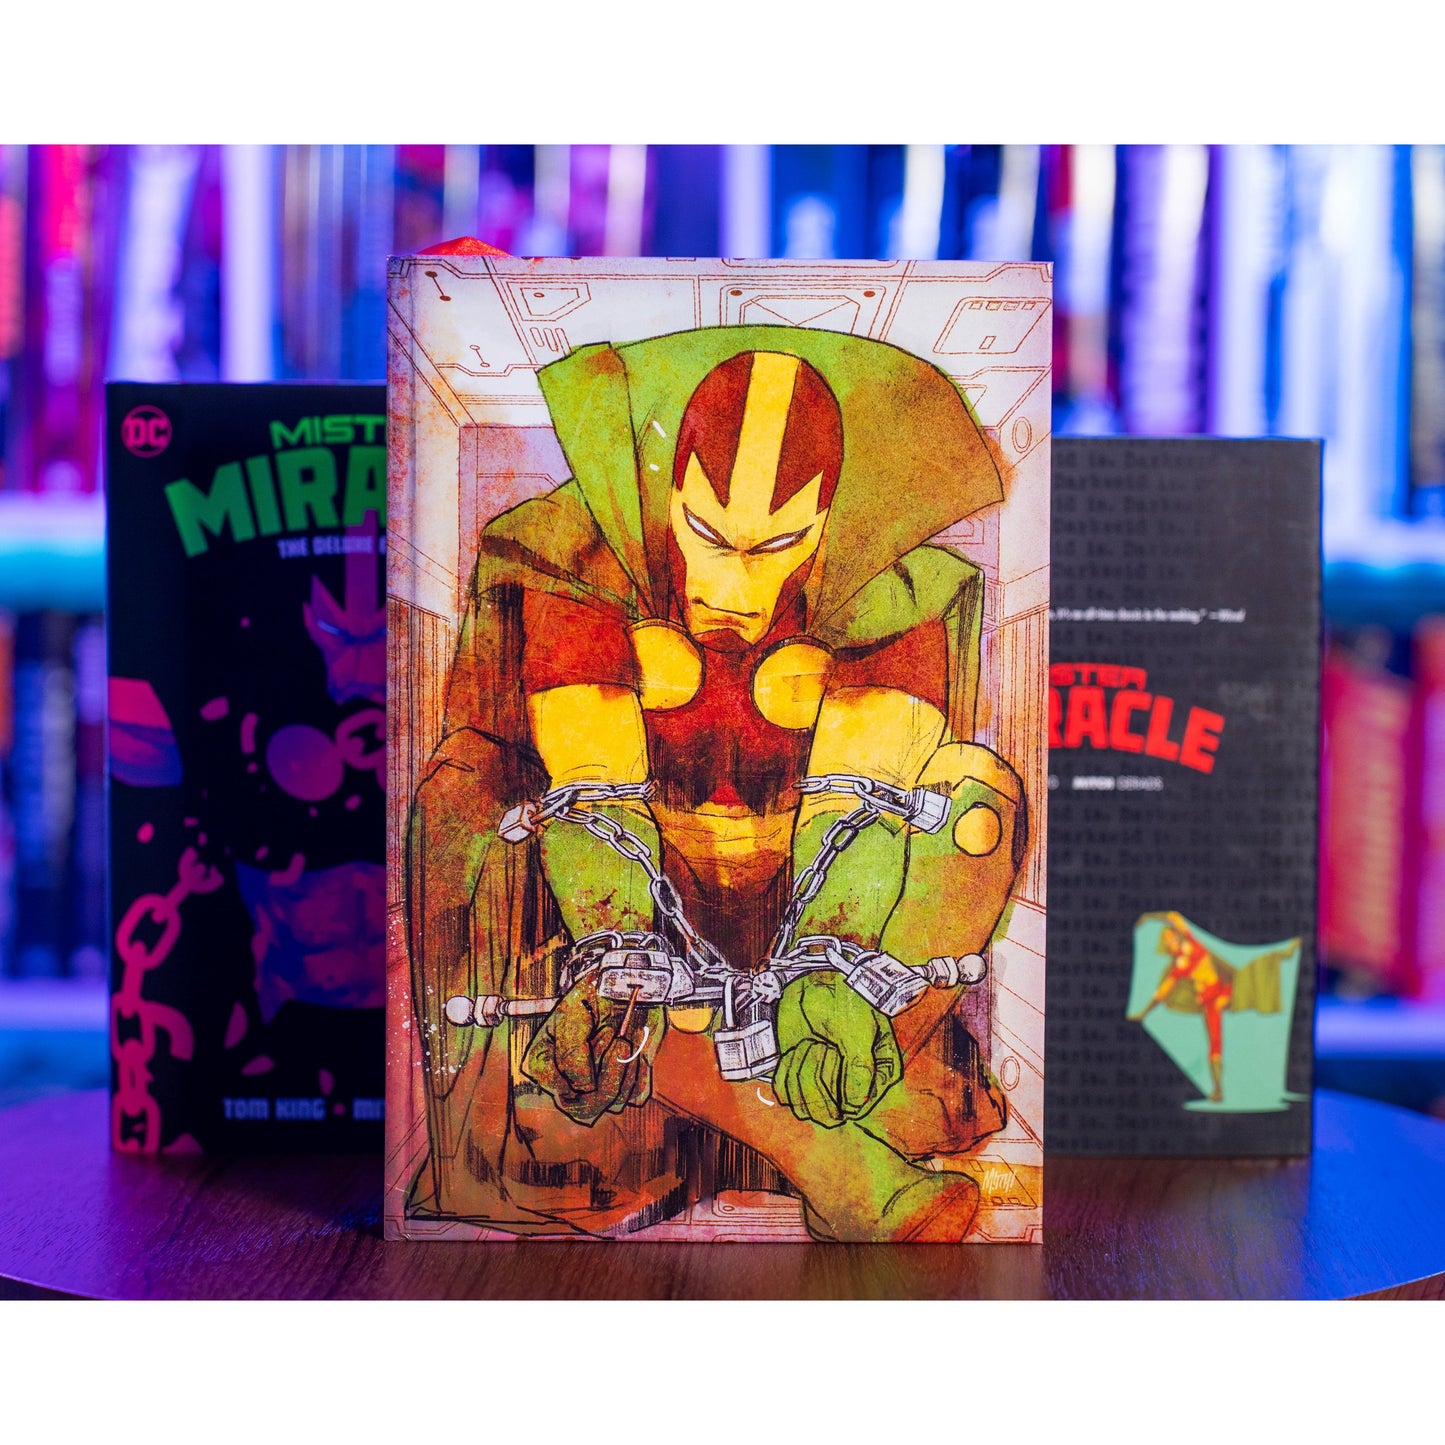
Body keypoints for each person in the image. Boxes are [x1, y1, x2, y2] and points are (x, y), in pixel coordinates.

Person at [405, 326, 1028, 1240]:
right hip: (640, 917)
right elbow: (590, 789)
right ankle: (825, 1153)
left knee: (977, 795)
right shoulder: (576, 559)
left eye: (778, 544)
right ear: (669, 496)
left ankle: (829, 1085)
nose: (737, 584)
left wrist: (832, 965)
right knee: (479, 803)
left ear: (825, 525)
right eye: (708, 534)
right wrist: (617, 954)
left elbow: (864, 806)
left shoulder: (891, 587)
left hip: (806, 910)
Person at [1129, 911, 1291, 1104]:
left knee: (1252, 976)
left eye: (1171, 937)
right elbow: (1161, 993)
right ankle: (1218, 1090)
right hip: (1209, 1002)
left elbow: (1173, 916)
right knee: (1215, 1043)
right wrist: (1143, 1014)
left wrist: (1148, 917)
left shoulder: (1191, 943)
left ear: (1176, 936)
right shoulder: (1178, 967)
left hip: (1223, 990)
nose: (1170, 942)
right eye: (1166, 941)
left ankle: (1282, 955)